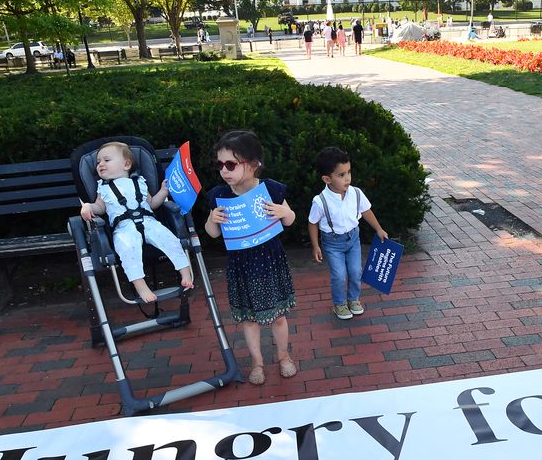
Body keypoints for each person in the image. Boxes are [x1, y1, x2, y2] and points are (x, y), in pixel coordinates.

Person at [204, 130, 298, 385]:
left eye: (231, 164)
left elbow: (290, 219)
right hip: (241, 264)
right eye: (220, 164)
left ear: (254, 164)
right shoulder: (219, 196)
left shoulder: (270, 190)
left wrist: (282, 212)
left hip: (269, 261)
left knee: (278, 315)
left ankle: (283, 355)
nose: (224, 170)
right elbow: (212, 233)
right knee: (249, 319)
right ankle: (257, 362)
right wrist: (212, 220)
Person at [80, 142, 194, 303]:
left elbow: (152, 203)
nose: (100, 164)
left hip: (149, 221)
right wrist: (87, 206)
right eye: (98, 162)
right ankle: (141, 286)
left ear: (126, 164)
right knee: (128, 250)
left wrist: (163, 192)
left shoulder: (139, 182)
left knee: (171, 240)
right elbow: (99, 207)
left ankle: (185, 272)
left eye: (106, 160)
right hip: (124, 227)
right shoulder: (103, 188)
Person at [307, 147, 389, 320]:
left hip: (353, 239)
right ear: (327, 179)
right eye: (341, 175)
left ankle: (353, 299)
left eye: (349, 172)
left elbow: (366, 211)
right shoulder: (320, 201)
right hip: (332, 243)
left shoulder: (356, 193)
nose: (347, 178)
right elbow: (312, 223)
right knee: (338, 274)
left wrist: (379, 229)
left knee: (355, 270)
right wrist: (315, 245)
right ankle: (339, 304)